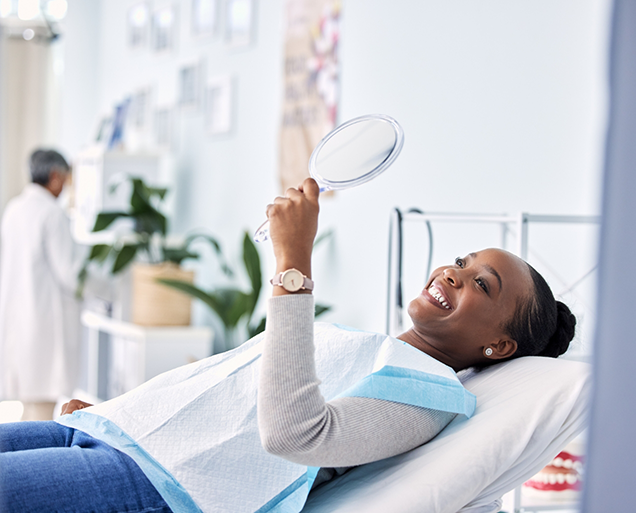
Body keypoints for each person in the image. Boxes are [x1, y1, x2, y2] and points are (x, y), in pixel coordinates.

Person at [0, 179, 576, 513]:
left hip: (160, 486)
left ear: (500, 346)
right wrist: (114, 411)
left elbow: (294, 434)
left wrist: (293, 264)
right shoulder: (364, 342)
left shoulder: (430, 396)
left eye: (481, 284)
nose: (453, 273)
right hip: (111, 431)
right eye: (461, 261)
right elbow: (222, 383)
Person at [0, 149, 82, 421]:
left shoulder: (14, 208)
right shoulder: (51, 213)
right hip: (43, 322)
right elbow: (69, 274)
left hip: (18, 316)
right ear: (55, 176)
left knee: (30, 407)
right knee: (40, 413)